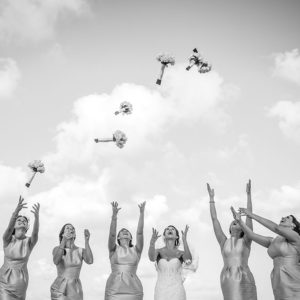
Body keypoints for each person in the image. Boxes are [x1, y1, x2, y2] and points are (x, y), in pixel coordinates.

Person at [232, 206, 300, 300]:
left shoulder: (296, 237)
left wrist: (251, 215)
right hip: (278, 281)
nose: (283, 217)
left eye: (288, 218)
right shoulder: (273, 241)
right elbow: (251, 235)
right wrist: (240, 221)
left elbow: (277, 228)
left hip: (293, 279)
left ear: (293, 226)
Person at [207, 180, 257, 300]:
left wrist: (249, 195)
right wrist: (211, 199)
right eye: (233, 222)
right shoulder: (223, 241)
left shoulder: (246, 240)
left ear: (243, 228)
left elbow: (249, 217)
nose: (234, 222)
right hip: (227, 278)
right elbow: (214, 219)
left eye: (238, 222)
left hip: (244, 276)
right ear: (229, 228)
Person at [0, 196, 40, 300]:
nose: (22, 221)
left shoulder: (29, 242)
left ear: (27, 227)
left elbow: (35, 234)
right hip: (4, 279)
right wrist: (16, 212)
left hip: (21, 281)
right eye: (19, 219)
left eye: (24, 221)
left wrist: (37, 218)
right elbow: (8, 229)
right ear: (14, 225)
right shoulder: (7, 238)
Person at [105, 201, 146, 300]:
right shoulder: (113, 249)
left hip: (133, 288)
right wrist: (114, 216)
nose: (125, 232)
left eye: (127, 232)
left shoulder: (137, 250)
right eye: (122, 232)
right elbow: (112, 234)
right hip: (114, 288)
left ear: (131, 237)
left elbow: (140, 233)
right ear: (118, 237)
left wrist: (142, 213)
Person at [148, 224, 192, 300]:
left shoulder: (181, 253)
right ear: (164, 236)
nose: (170, 230)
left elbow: (189, 260)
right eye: (167, 229)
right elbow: (152, 258)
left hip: (177, 290)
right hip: (160, 291)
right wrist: (152, 243)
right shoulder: (158, 251)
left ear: (177, 237)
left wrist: (184, 240)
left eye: (172, 229)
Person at [50, 224, 93, 300]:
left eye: (72, 228)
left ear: (75, 234)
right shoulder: (57, 249)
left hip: (75, 288)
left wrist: (86, 241)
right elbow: (56, 261)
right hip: (60, 287)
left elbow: (90, 261)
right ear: (62, 234)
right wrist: (64, 240)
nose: (71, 230)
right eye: (68, 228)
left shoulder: (81, 251)